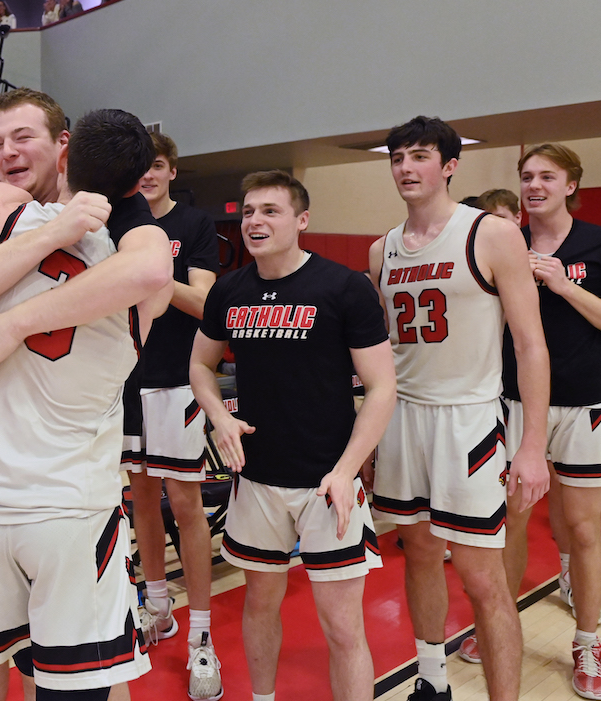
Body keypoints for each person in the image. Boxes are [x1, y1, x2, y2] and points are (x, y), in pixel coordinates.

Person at [0, 101, 172, 701]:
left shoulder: (6, 218)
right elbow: (151, 268)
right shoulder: (138, 262)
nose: (4, 153)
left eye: (22, 138)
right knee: (79, 684)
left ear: (64, 150)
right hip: (69, 507)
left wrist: (14, 322)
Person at [368, 116, 550, 701]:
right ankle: (432, 679)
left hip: (468, 422)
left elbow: (530, 343)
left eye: (420, 156)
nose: (406, 167)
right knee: (417, 552)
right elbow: (380, 356)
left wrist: (532, 445)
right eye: (397, 157)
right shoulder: (382, 250)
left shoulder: (491, 233)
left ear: (449, 166)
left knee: (481, 577)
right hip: (402, 420)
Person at [193, 170, 393, 701]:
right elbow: (199, 365)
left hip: (328, 481)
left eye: (271, 211)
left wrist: (347, 472)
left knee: (343, 627)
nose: (255, 221)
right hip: (257, 479)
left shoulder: (344, 286)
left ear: (302, 220)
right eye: (249, 211)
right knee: (259, 606)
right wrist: (218, 413)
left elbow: (381, 387)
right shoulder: (229, 290)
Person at [494, 144, 601, 700]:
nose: (534, 185)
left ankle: (586, 641)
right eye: (526, 176)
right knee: (505, 523)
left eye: (546, 177)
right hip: (509, 403)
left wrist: (564, 284)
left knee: (580, 528)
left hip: (583, 403)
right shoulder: (503, 241)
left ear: (571, 185)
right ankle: (499, 626)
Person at [121, 132, 222, 700]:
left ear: (172, 171)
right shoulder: (118, 224)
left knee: (185, 503)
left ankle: (201, 637)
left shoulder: (194, 224)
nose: (149, 175)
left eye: (157, 166)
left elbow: (208, 305)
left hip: (177, 382)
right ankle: (158, 608)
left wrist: (155, 272)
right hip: (125, 379)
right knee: (141, 500)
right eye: (141, 167)